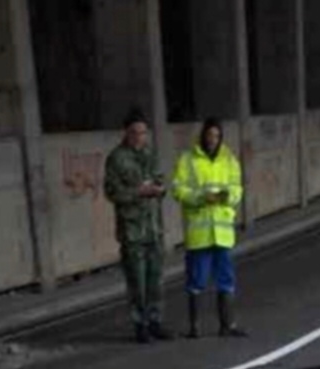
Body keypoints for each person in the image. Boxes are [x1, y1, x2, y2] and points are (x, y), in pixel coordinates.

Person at [172, 117, 247, 339]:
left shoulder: (229, 160)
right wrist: (200, 197)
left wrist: (227, 196)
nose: (213, 139)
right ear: (203, 135)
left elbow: (237, 189)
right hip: (200, 232)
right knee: (197, 280)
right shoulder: (188, 159)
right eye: (209, 135)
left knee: (226, 279)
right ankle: (194, 327)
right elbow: (178, 189)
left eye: (216, 136)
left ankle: (227, 325)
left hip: (222, 232)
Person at [104, 108, 171, 343]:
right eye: (135, 132)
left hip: (153, 228)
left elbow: (161, 181)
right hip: (132, 231)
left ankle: (155, 321)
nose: (139, 137)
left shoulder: (150, 154)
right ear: (127, 132)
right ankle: (140, 325)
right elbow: (112, 192)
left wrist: (159, 189)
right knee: (137, 282)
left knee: (156, 280)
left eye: (143, 132)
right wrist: (139, 192)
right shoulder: (117, 158)